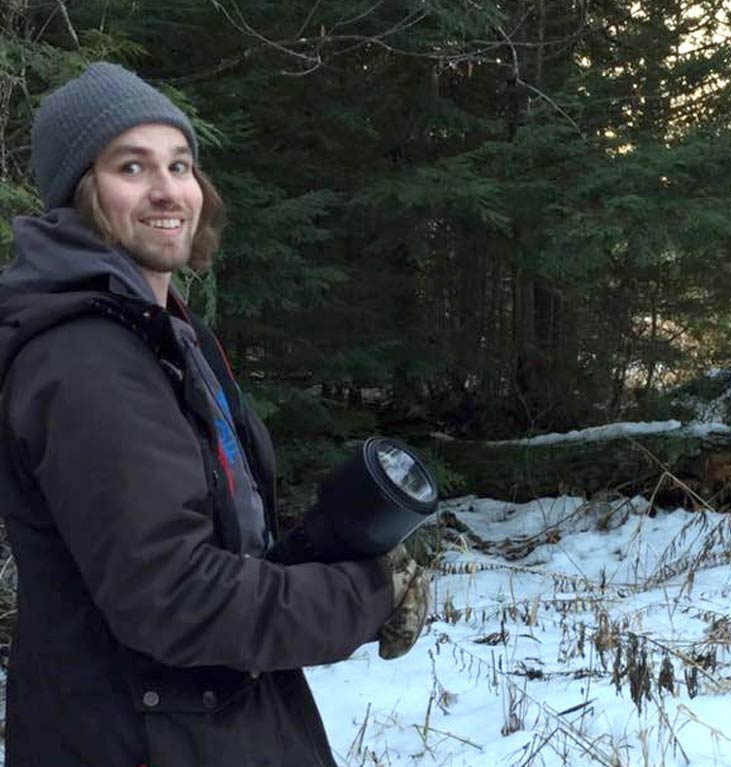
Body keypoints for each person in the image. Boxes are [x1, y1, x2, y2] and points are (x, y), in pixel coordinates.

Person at [0, 62, 429, 767]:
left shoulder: (159, 330)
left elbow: (211, 541)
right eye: (131, 167)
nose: (168, 189)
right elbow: (171, 594)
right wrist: (363, 595)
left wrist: (331, 550)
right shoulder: (85, 359)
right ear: (79, 193)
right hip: (142, 738)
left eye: (180, 164)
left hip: (195, 722)